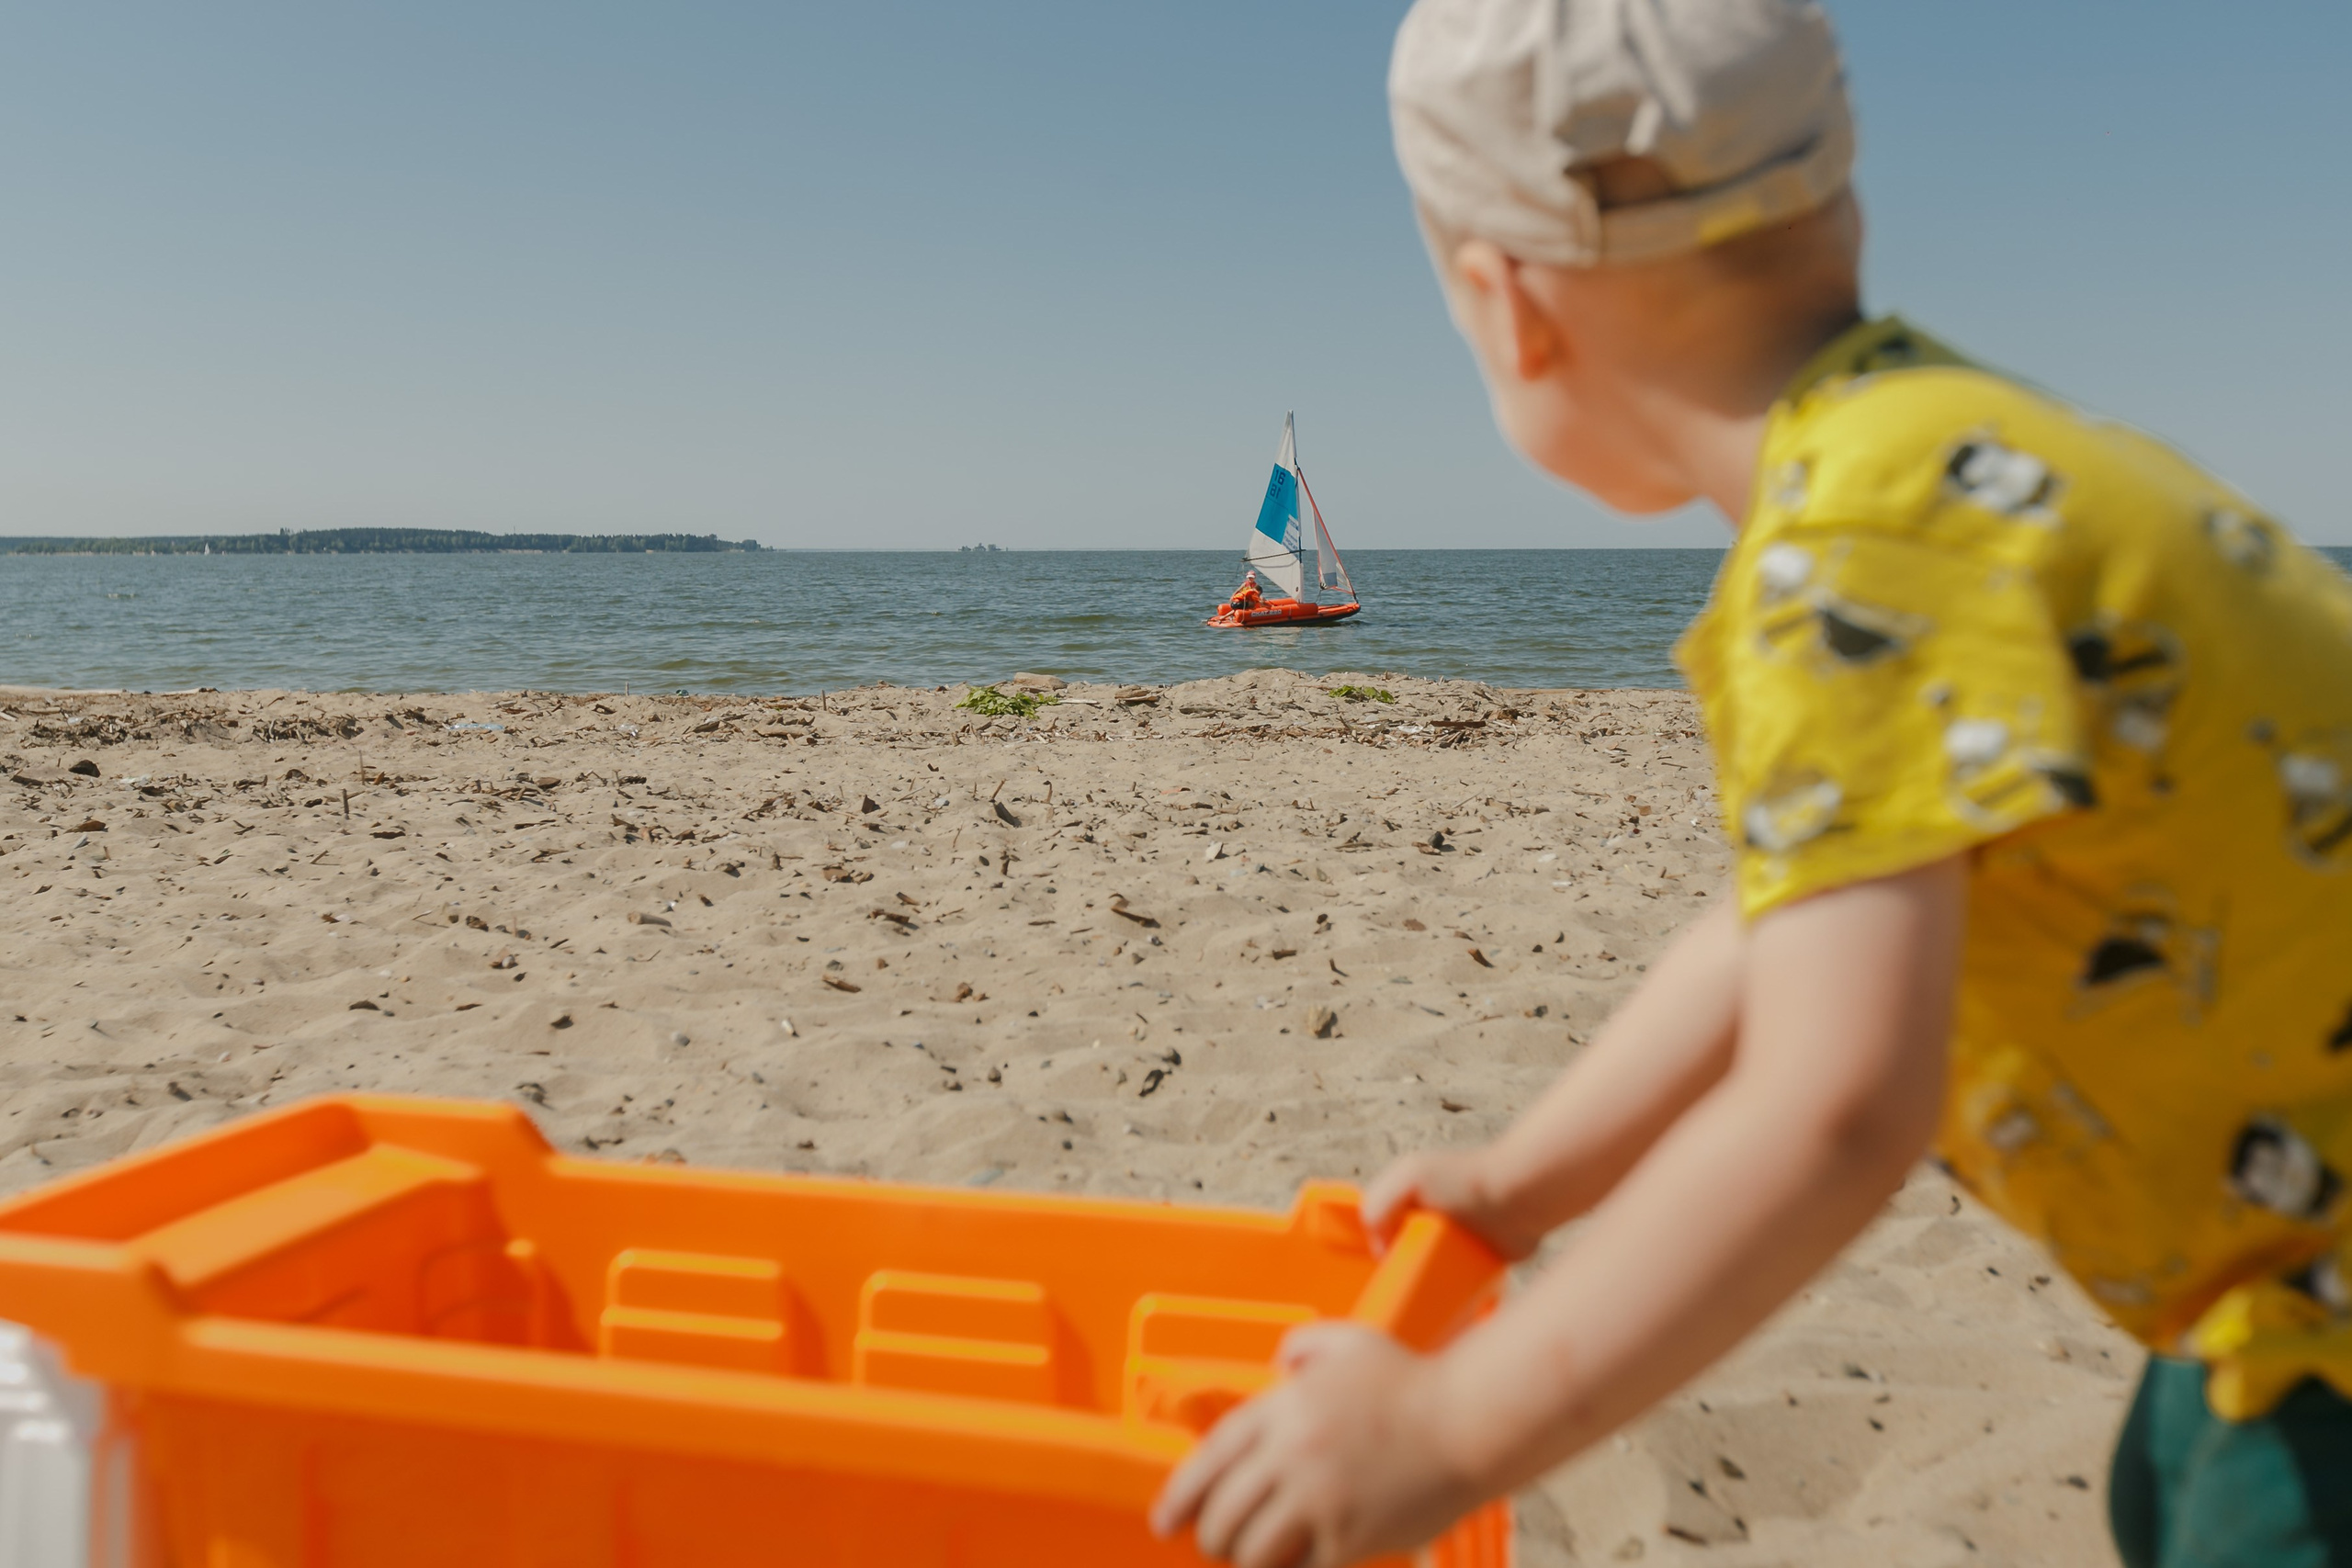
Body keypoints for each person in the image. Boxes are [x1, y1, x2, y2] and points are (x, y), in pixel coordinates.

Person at [1149, 3, 2352, 1565]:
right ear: (1835, 199)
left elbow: (1839, 1109)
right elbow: (1773, 923)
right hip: (2271, 1279)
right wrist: (1524, 1184)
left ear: (1507, 309)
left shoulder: (1852, 561)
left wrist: (1449, 1429)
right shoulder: (1953, 463)